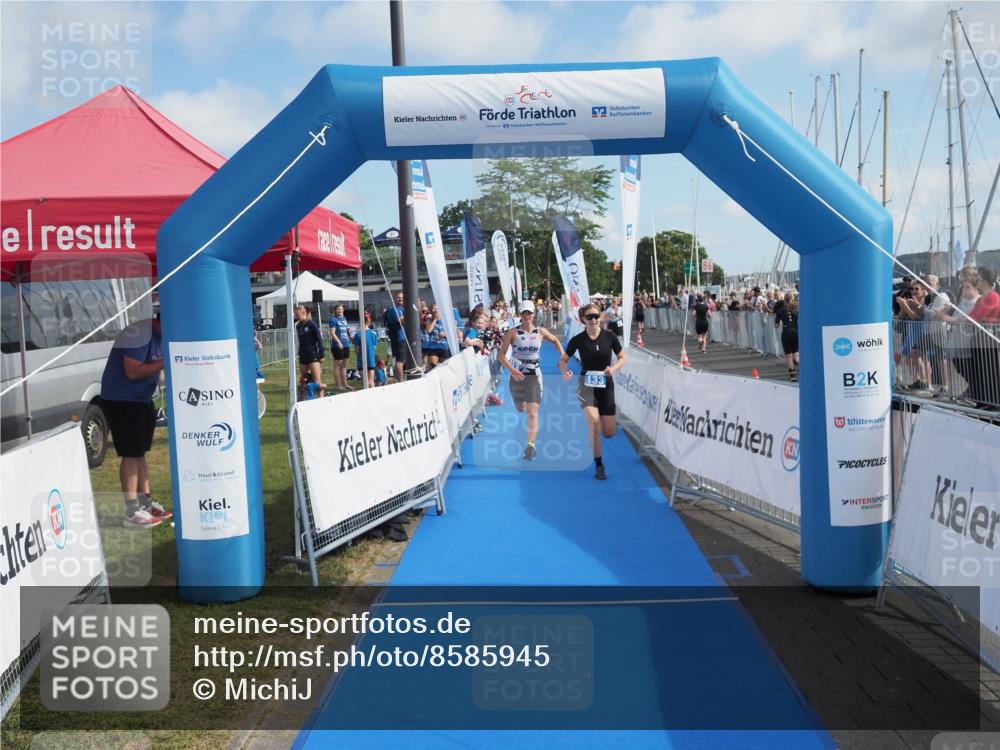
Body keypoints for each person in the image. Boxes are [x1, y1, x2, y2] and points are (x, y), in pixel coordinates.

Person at [100, 316, 171, 528]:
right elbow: (133, 371)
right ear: (162, 321)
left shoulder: (159, 335)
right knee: (131, 454)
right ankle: (132, 511)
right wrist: (165, 361)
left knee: (140, 454)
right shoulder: (139, 333)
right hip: (122, 400)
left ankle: (146, 504)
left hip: (141, 399)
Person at [560, 302, 627, 480]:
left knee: (609, 432)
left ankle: (601, 439)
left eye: (596, 316)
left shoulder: (610, 336)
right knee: (594, 424)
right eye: (589, 317)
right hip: (586, 384)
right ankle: (599, 465)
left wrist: (613, 369)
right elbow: (563, 360)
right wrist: (564, 372)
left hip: (606, 385)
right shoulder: (578, 340)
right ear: (583, 319)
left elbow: (622, 357)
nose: (594, 320)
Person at [498, 300, 566, 460]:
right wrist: (512, 370)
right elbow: (501, 355)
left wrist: (563, 355)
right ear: (520, 315)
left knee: (533, 412)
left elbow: (556, 340)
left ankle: (530, 445)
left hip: (534, 375)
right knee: (520, 408)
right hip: (517, 376)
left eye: (529, 313)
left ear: (534, 314)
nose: (527, 316)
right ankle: (520, 406)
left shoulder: (541, 332)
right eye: (524, 313)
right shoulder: (512, 333)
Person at [295, 304, 325, 398]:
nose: (296, 317)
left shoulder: (312, 324)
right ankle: (306, 401)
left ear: (304, 313)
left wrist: (321, 354)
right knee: (304, 380)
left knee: (317, 381)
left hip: (313, 356)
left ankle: (321, 400)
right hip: (303, 356)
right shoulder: (298, 326)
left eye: (297, 315)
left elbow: (319, 339)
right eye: (295, 315)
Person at [775, 292, 799, 381]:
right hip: (796, 331)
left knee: (789, 355)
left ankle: (793, 376)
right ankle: (803, 368)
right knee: (796, 353)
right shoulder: (796, 309)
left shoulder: (780, 310)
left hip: (786, 332)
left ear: (784, 300)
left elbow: (776, 325)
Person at [382, 291, 407, 382]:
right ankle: (400, 381)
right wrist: (411, 311)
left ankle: (398, 380)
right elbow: (401, 320)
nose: (400, 299)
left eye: (402, 298)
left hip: (402, 338)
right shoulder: (394, 309)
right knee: (400, 361)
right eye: (398, 297)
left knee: (402, 360)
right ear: (394, 298)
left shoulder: (401, 308)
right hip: (398, 338)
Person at [353, 311, 380, 388]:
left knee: (365, 383)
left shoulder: (357, 335)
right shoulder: (373, 333)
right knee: (371, 382)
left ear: (359, 322)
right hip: (371, 361)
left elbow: (357, 350)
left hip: (361, 362)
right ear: (369, 321)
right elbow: (374, 348)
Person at [328, 304, 351, 392]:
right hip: (337, 345)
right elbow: (332, 333)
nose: (340, 311)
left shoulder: (344, 319)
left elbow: (346, 330)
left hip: (346, 344)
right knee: (338, 366)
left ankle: (345, 384)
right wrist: (338, 342)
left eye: (341, 309)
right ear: (335, 310)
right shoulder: (333, 320)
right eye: (338, 309)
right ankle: (338, 385)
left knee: (344, 365)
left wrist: (349, 337)